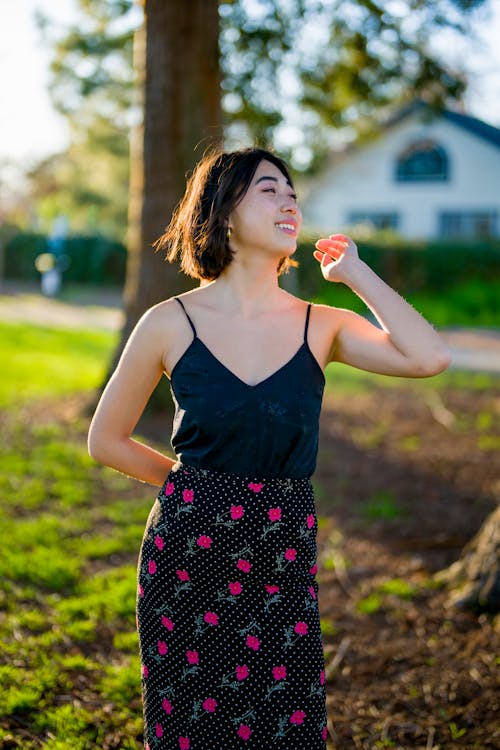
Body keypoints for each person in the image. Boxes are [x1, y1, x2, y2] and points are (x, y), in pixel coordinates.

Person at [87, 146, 451, 749]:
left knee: (285, 727)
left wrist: (356, 275)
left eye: (292, 192)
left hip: (282, 554)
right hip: (186, 553)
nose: (289, 201)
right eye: (268, 189)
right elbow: (106, 440)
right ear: (224, 212)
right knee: (191, 729)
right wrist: (186, 487)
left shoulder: (321, 323)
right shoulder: (168, 321)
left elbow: (429, 357)